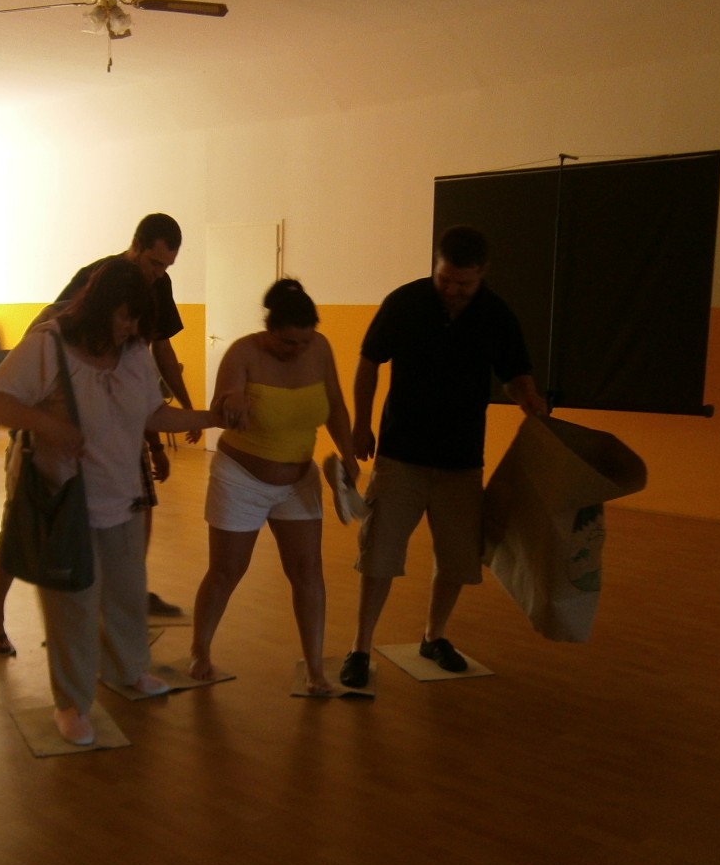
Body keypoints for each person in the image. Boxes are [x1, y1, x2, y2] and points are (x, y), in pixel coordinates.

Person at [0, 258, 233, 746]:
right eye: (125, 317)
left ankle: (128, 669)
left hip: (122, 496)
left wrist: (209, 418)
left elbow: (153, 414)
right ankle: (71, 703)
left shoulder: (133, 351)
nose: (131, 329)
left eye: (139, 321)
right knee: (72, 608)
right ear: (99, 307)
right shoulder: (49, 345)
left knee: (126, 593)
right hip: (65, 501)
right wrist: (49, 424)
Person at [339, 225, 547, 689]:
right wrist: (360, 423)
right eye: (444, 279)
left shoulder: (497, 315)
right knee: (379, 554)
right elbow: (369, 360)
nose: (452, 289)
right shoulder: (405, 302)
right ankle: (360, 647)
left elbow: (516, 374)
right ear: (436, 265)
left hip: (462, 461)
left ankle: (434, 637)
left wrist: (529, 399)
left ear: (482, 273)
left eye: (463, 283)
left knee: (456, 558)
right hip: (400, 455)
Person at [188, 279, 356, 695]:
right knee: (227, 571)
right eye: (287, 341)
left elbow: (335, 405)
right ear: (269, 328)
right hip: (240, 478)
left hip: (299, 480)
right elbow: (223, 403)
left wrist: (349, 455)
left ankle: (315, 669)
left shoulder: (320, 348)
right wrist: (233, 403)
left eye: (304, 341)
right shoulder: (243, 352)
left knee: (307, 572)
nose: (296, 349)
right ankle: (200, 650)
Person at [56, 213, 195, 619]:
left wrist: (185, 408)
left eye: (166, 266)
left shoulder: (159, 285)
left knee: (140, 502)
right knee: (90, 510)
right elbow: (54, 330)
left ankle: (130, 586)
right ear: (136, 246)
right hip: (85, 413)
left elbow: (159, 350)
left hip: (126, 410)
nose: (158, 273)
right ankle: (86, 596)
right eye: (154, 263)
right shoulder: (96, 279)